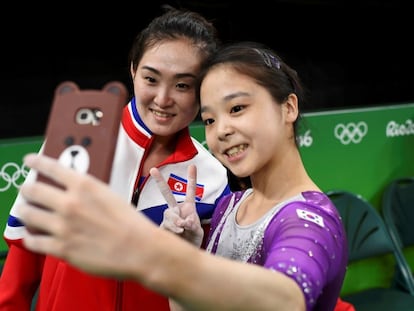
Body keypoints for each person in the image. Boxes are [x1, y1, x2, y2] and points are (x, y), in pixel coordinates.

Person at [16, 41, 348, 311]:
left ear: (288, 108)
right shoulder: (231, 205)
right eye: (210, 120)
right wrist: (186, 251)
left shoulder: (308, 219)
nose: (222, 131)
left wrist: (159, 258)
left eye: (237, 109)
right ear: (133, 71)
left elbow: (288, 297)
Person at [0, 7, 230, 311]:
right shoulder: (77, 140)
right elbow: (24, 250)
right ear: (133, 70)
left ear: (204, 88)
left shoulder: (211, 176)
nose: (162, 99)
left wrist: (188, 251)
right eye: (151, 79)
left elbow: (207, 292)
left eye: (183, 85)